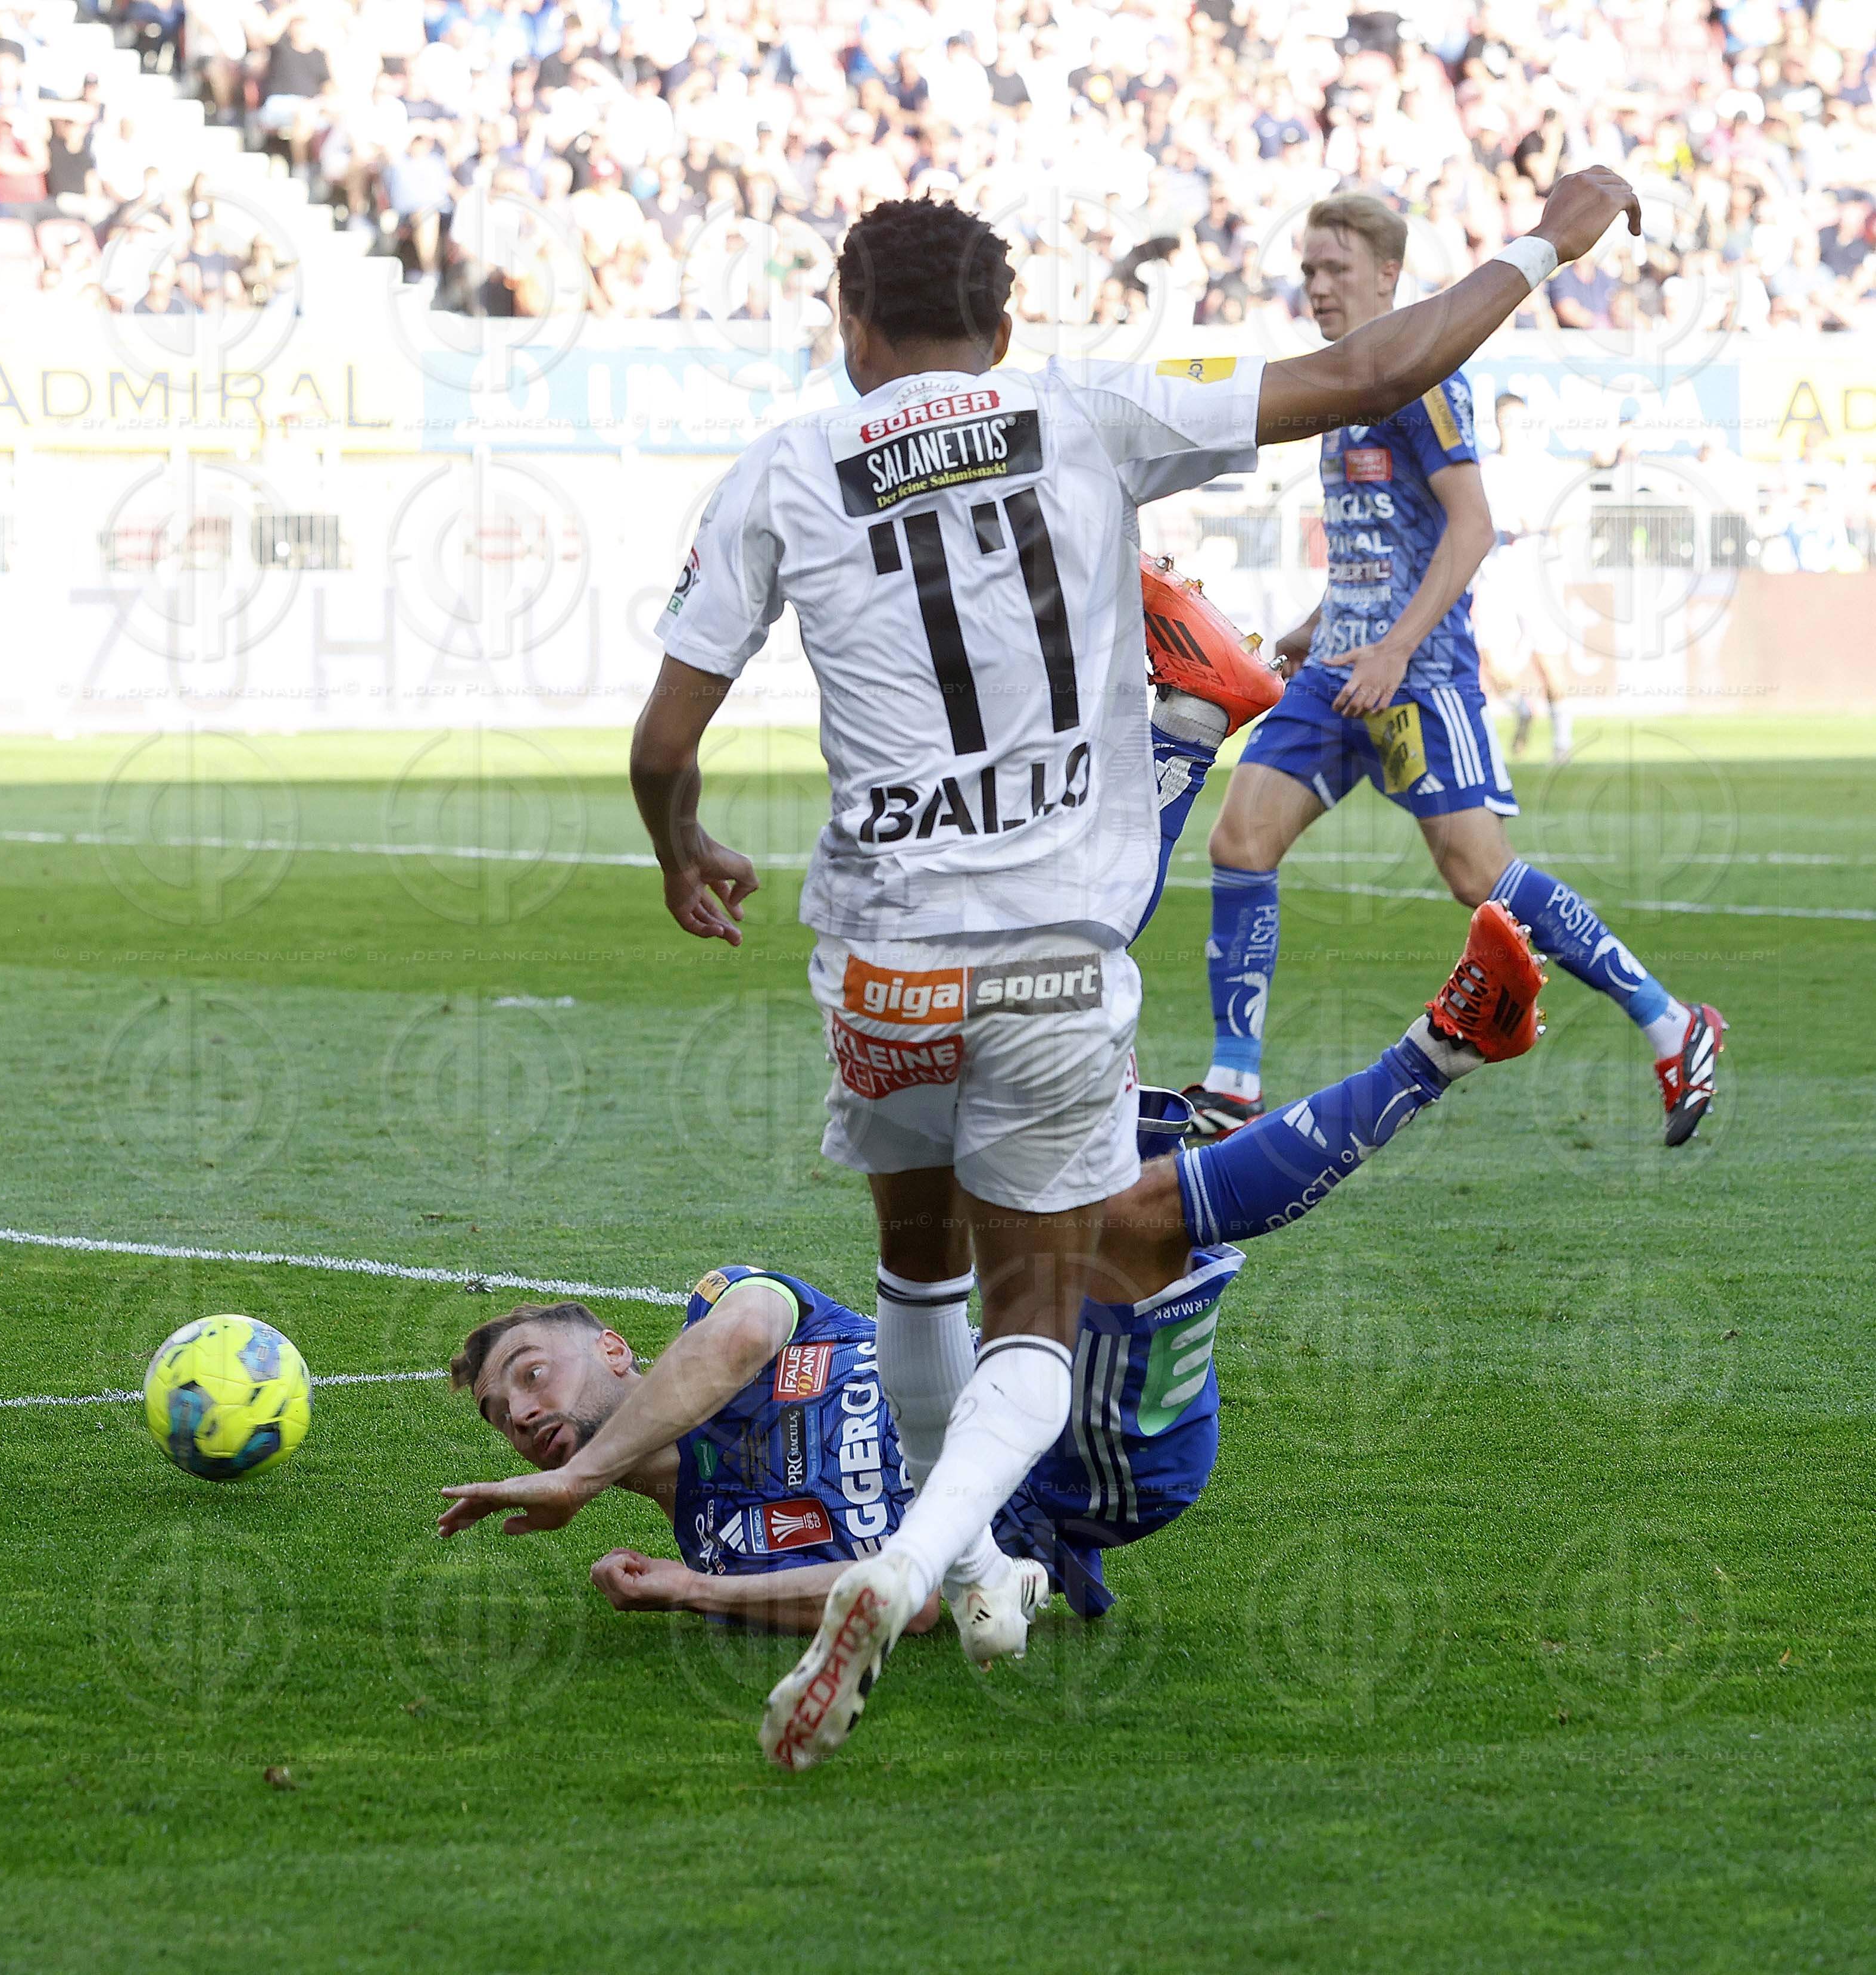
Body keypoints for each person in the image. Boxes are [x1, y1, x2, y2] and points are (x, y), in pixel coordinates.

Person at [599, 173, 1631, 1770]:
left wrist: (681, 846)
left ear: (850, 327)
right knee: (1035, 1299)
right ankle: (914, 1552)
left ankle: (974, 1556)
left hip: (881, 960)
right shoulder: (1080, 406)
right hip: (1052, 959)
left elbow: (663, 742)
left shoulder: (779, 469)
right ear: (1003, 327)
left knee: (915, 1279)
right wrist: (1545, 239)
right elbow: (1372, 371)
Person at [442, 901, 1553, 1665]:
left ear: (617, 1352)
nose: (524, 1410)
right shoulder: (717, 1548)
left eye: (532, 1371)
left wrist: (585, 1471)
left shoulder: (721, 1315)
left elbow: (748, 1321)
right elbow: (908, 1603)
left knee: (1046, 1037)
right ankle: (1447, 1044)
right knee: (1129, 1217)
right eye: (505, 1412)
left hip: (1026, 1337)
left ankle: (1180, 733)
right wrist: (690, 1592)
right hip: (1076, 1472)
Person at [1187, 193, 1723, 1155]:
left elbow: (1471, 526)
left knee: (1479, 876)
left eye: (1333, 268)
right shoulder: (1338, 388)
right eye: (1306, 269)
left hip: (1417, 676)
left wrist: (1394, 647)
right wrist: (1310, 631)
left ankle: (1671, 1022)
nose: (1314, 285)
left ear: (1387, 274)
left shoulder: (1423, 376)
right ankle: (1232, 1080)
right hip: (1338, 673)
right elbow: (1379, 543)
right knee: (1238, 840)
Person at [1471, 392, 1578, 762]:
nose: (1511, 427)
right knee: (1493, 664)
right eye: (1505, 419)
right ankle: (1521, 710)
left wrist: (1543, 524)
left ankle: (1562, 743)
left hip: (1539, 574)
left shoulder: (1546, 467)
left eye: (1518, 419)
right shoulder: (1486, 469)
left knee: (1549, 663)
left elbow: (1575, 514)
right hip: (1496, 572)